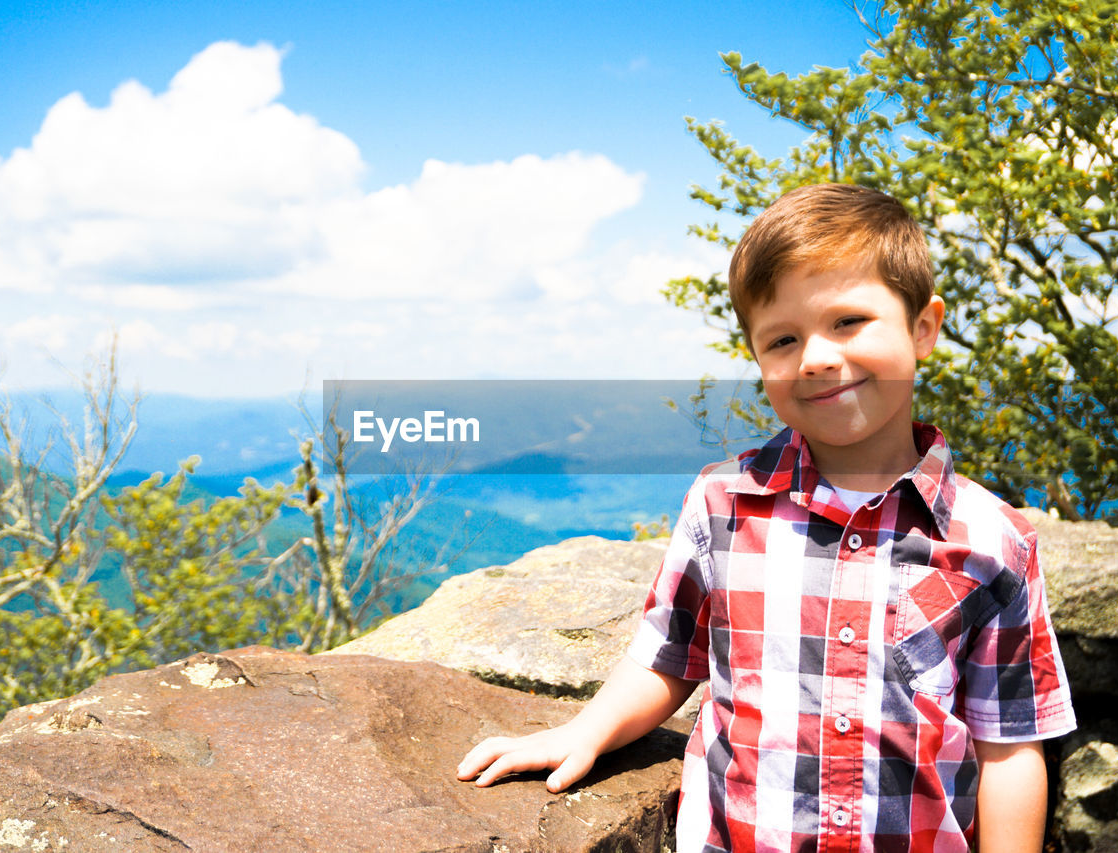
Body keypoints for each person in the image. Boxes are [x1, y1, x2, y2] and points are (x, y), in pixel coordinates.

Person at [456, 183, 1075, 852]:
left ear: (923, 328)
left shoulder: (993, 542)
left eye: (848, 321)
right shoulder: (723, 503)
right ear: (757, 358)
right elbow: (667, 656)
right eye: (783, 338)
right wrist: (583, 731)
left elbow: (1010, 746)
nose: (815, 356)